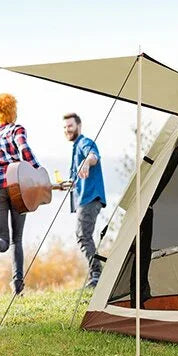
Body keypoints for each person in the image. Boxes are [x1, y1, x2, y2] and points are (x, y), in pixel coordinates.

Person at [0, 93, 41, 295]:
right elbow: (25, 150)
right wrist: (38, 171)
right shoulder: (16, 130)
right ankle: (17, 285)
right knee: (16, 239)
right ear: (13, 110)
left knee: (2, 241)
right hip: (17, 189)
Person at [61, 113, 106, 287]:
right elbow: (76, 179)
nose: (67, 129)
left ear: (78, 126)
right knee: (84, 236)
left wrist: (87, 162)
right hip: (85, 198)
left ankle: (96, 275)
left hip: (90, 197)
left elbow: (93, 156)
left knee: (83, 236)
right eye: (65, 127)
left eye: (70, 126)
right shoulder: (75, 147)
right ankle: (96, 274)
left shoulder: (84, 142)